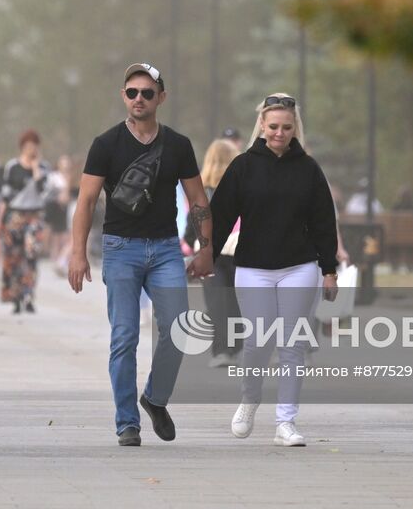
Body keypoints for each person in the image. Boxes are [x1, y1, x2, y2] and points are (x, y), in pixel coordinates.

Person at [68, 63, 212, 447]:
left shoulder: (178, 145)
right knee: (125, 337)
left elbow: (198, 200)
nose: (139, 99)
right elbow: (85, 200)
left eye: (147, 93)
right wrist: (77, 253)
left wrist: (206, 249)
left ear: (160, 98)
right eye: (132, 92)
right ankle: (126, 423)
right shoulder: (106, 144)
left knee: (180, 330)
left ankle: (155, 398)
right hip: (120, 249)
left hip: (165, 249)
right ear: (123, 96)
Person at [211, 93, 339, 447]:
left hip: (299, 266)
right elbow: (221, 214)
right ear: (262, 127)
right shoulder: (243, 166)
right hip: (253, 268)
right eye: (273, 127)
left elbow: (323, 222)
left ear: (295, 127)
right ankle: (250, 400)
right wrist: (205, 254)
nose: (280, 133)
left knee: (292, 345)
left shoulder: (308, 169)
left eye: (286, 127)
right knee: (256, 342)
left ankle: (286, 422)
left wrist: (329, 270)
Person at [190, 137, 241, 368]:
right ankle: (234, 346)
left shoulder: (200, 189)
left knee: (215, 301)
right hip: (239, 248)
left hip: (209, 250)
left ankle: (221, 351)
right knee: (237, 300)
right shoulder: (242, 184)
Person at [0, 130, 50, 314]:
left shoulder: (43, 167)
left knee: (31, 256)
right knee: (13, 257)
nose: (31, 149)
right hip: (15, 216)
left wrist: (35, 169)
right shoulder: (13, 166)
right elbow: (5, 195)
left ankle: (28, 294)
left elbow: (44, 191)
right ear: (22, 147)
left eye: (34, 145)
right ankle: (15, 296)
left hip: (35, 215)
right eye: (27, 146)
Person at [44, 155, 73, 270]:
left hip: (66, 207)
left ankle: (61, 257)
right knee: (55, 232)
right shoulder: (54, 176)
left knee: (63, 233)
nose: (65, 166)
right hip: (54, 206)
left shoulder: (71, 176)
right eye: (63, 163)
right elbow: (49, 190)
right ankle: (53, 255)